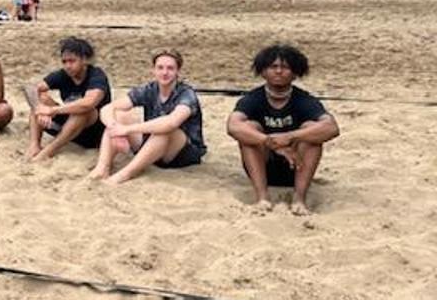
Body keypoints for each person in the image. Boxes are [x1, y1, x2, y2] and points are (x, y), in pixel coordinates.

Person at [226, 44, 340, 215]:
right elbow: (233, 126)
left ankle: (299, 199)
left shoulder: (304, 100)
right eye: (273, 66)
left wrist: (290, 137)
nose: (279, 71)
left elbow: (331, 127)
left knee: (312, 132)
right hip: (263, 165)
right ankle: (262, 198)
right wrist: (270, 142)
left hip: (297, 166)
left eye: (285, 67)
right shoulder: (253, 98)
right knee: (249, 128)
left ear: (295, 73)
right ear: (263, 71)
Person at [90, 49, 206, 184]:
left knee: (164, 131)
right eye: (160, 68)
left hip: (181, 151)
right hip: (152, 143)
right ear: (154, 70)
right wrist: (114, 128)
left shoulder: (186, 94)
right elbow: (108, 108)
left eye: (170, 68)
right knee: (120, 116)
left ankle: (126, 173)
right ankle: (102, 167)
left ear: (178, 71)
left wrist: (127, 130)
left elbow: (171, 122)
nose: (165, 72)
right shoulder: (150, 89)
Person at [25, 36, 111, 161]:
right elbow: (31, 88)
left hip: (94, 134)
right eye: (64, 62)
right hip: (69, 127)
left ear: (84, 60)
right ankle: (34, 145)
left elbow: (89, 103)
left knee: (84, 110)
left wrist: (53, 110)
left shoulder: (96, 75)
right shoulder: (63, 75)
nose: (68, 66)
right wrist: (40, 109)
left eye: (72, 61)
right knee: (41, 100)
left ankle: (48, 151)